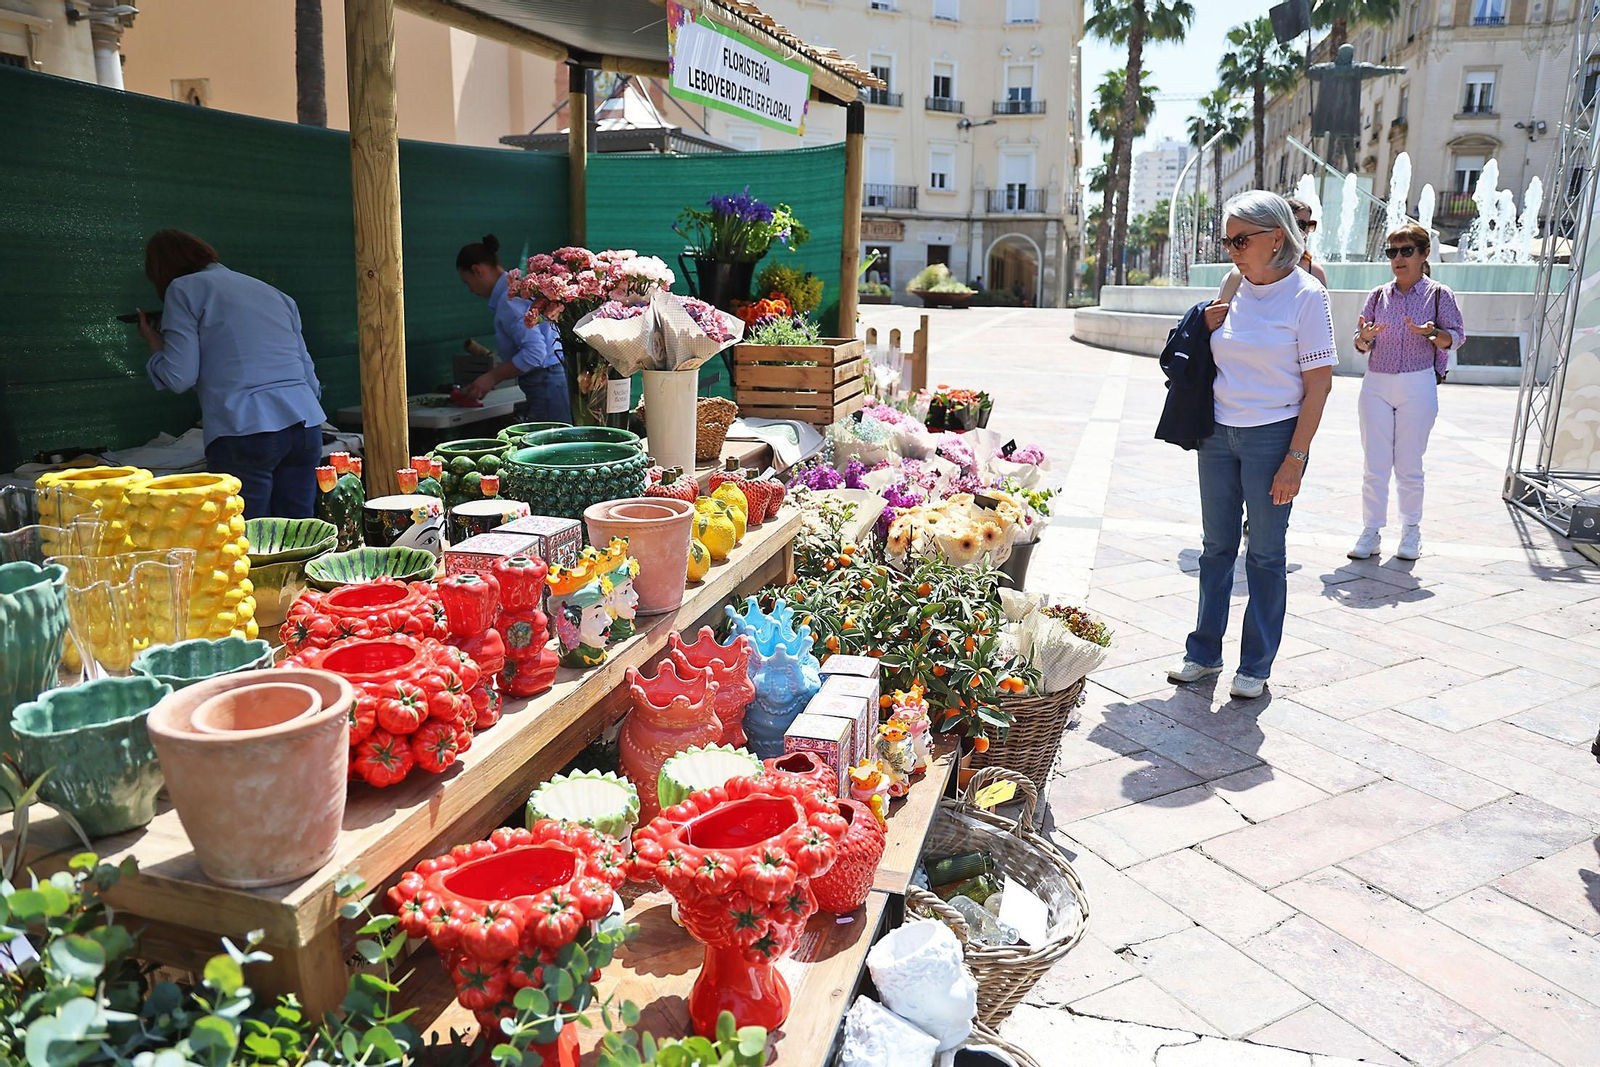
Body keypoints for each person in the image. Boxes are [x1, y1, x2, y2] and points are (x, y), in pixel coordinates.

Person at [1168, 191, 1337, 700]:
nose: (1232, 249)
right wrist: (1206, 324)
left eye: (1241, 239)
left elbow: (1320, 385)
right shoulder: (1234, 283)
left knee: (1264, 554)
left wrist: (1295, 459)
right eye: (1227, 239)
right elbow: (1208, 348)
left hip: (1273, 438)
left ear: (1277, 237)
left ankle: (1256, 664)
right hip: (1217, 433)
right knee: (1216, 549)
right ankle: (1203, 653)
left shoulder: (1308, 295)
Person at [138, 230, 326, 519]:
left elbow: (180, 377)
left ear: (161, 270)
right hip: (305, 424)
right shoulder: (273, 293)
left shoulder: (183, 289)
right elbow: (308, 374)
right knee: (298, 536)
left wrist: (154, 343)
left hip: (245, 427)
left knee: (245, 539)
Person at [1348, 222, 1464, 561]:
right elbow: (1360, 344)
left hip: (1418, 381)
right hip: (1376, 383)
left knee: (1409, 463)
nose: (1398, 258)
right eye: (1392, 252)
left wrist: (1431, 333)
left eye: (1406, 251)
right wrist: (1365, 336)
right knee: (1375, 463)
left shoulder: (1439, 294)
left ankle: (1411, 530)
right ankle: (1371, 530)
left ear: (1424, 253)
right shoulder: (1377, 295)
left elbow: (1455, 338)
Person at [456, 235, 569, 421]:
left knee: (553, 446)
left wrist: (491, 378)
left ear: (477, 271)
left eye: (467, 282)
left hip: (546, 382)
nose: (471, 290)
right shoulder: (517, 289)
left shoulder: (509, 299)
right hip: (553, 378)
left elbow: (535, 353)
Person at [1284, 197, 1329, 286]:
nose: (1307, 231)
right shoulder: (1264, 264)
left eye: (1310, 225)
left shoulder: (1315, 271)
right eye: (1301, 224)